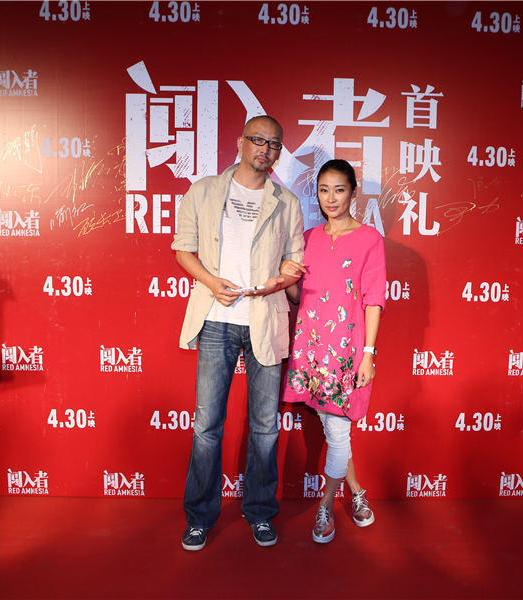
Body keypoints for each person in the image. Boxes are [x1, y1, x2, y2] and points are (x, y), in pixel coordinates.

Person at [171, 115, 304, 551]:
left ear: (279, 152)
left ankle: (261, 512)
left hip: (265, 318)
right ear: (240, 142)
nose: (265, 149)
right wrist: (212, 283)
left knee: (265, 426)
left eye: (274, 144)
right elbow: (183, 249)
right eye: (258, 140)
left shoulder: (287, 202)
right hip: (216, 318)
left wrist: (279, 281)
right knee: (207, 425)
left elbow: (295, 259)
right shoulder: (205, 190)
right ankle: (199, 517)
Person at [281, 159, 386, 543]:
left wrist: (368, 353)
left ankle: (326, 504)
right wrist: (286, 277)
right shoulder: (307, 238)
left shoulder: (370, 239)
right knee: (333, 427)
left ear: (353, 193)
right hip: (312, 346)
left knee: (338, 430)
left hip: (346, 348)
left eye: (339, 190)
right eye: (324, 190)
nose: (331, 198)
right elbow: (298, 296)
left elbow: (374, 300)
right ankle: (356, 491)